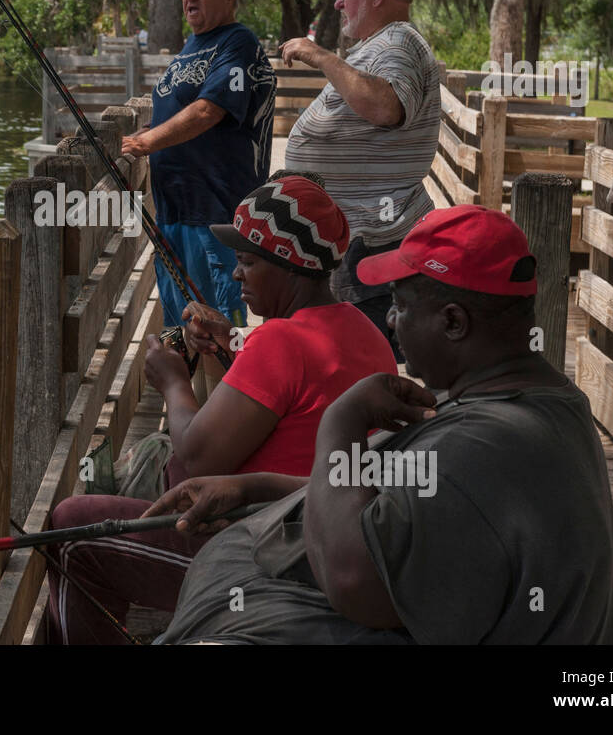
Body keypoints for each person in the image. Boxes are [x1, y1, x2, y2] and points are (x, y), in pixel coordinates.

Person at [147, 205, 613, 644]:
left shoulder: (486, 442)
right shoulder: (546, 401)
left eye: (400, 305)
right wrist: (252, 487)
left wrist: (343, 420)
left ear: (454, 322)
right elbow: (403, 497)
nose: (392, 322)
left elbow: (353, 580)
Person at [45, 173, 398, 644]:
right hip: (322, 540)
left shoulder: (281, 340)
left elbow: (195, 459)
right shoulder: (359, 325)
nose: (236, 275)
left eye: (248, 263)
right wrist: (234, 343)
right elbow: (297, 382)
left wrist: (172, 382)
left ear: (289, 268)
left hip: (264, 556)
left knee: (72, 529)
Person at [278, 0, 441, 357]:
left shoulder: (399, 43)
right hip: (361, 234)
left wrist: (319, 55)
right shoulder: (384, 44)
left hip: (372, 238)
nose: (337, 2)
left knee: (358, 360)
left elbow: (386, 107)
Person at [122, 0, 276, 331]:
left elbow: (210, 109)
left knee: (218, 335)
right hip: (174, 215)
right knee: (185, 333)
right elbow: (179, 111)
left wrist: (146, 144)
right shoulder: (193, 46)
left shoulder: (237, 43)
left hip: (215, 218)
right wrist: (146, 134)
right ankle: (189, 392)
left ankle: (224, 393)